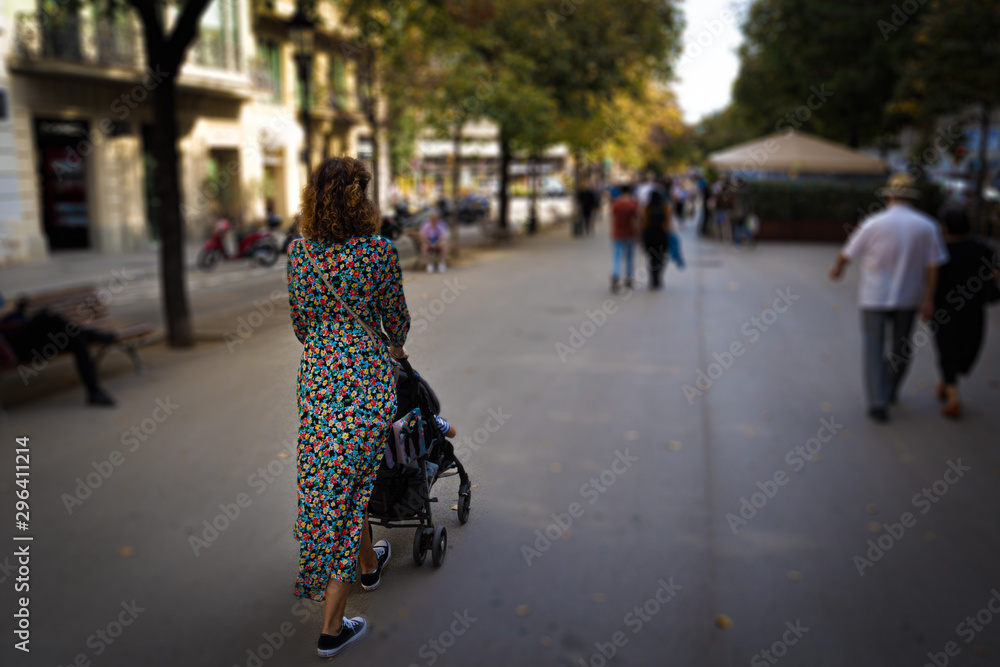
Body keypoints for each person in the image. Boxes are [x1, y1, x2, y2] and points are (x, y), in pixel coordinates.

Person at [286, 156, 411, 658]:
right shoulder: (379, 251)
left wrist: (325, 342)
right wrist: (392, 345)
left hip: (317, 380)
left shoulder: (300, 254)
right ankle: (332, 629)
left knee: (336, 480)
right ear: (361, 198)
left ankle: (367, 567)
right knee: (350, 481)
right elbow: (397, 321)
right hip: (364, 383)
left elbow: (300, 325)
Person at [829, 173, 948, 423]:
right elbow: (933, 266)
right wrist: (929, 299)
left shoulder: (873, 223)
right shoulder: (927, 226)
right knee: (901, 347)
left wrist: (838, 268)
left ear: (888, 197)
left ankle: (877, 402)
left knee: (874, 347)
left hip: (874, 297)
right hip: (908, 297)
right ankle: (891, 390)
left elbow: (847, 253)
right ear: (911, 198)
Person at [931, 208, 998, 419]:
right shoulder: (981, 248)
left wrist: (925, 301)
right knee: (968, 346)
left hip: (944, 307)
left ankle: (947, 385)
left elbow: (929, 277)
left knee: (946, 349)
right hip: (973, 309)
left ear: (945, 228)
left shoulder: (939, 250)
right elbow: (995, 272)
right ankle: (952, 395)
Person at [0, 294, 116, 406]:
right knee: (47, 316)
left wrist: (17, 311)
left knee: (78, 341)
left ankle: (94, 392)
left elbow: (16, 321)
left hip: (32, 342)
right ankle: (93, 335)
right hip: (17, 349)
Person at [610, 184, 639, 293]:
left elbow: (612, 219)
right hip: (630, 234)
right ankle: (629, 278)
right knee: (629, 257)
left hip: (617, 233)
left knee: (617, 257)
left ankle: (615, 276)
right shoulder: (633, 205)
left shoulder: (616, 204)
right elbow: (636, 221)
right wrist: (638, 235)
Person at [641, 189, 672, 289]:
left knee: (652, 258)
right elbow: (668, 223)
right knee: (661, 258)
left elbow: (644, 222)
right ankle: (658, 277)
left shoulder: (647, 207)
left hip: (649, 235)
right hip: (661, 235)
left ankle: (652, 278)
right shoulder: (665, 207)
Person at [419, 208, 449, 272]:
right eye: (433, 218)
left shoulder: (441, 224)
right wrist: (429, 243)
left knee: (444, 245)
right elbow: (423, 237)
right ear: (430, 218)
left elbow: (443, 236)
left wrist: (438, 243)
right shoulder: (425, 225)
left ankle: (441, 263)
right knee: (424, 247)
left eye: (436, 218)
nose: (435, 220)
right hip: (428, 241)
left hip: (438, 241)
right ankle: (429, 264)